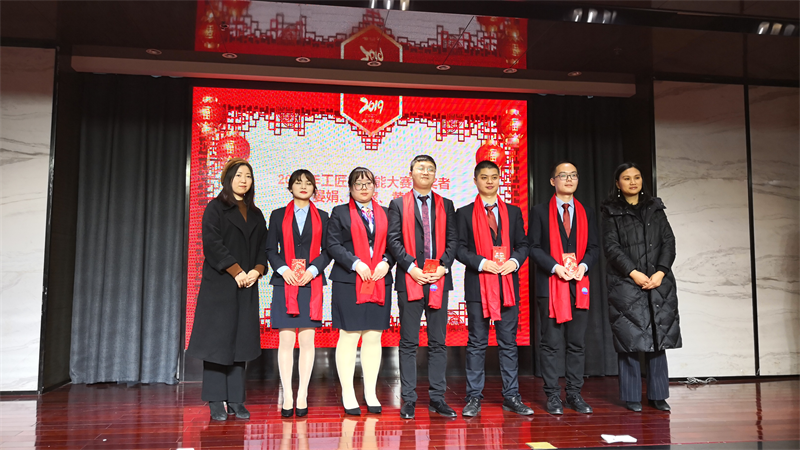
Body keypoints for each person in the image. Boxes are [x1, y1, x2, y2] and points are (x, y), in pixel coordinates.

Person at [187, 158, 267, 421]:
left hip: (247, 285)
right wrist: (236, 271)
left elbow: (263, 247)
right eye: (239, 175)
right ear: (228, 179)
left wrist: (257, 270)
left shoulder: (256, 214)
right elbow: (212, 244)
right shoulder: (215, 208)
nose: (244, 180)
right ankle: (215, 400)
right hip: (221, 285)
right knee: (217, 343)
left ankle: (235, 400)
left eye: (248, 176)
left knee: (241, 342)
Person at [600, 162, 681, 412]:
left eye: (636, 177)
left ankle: (658, 395)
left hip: (658, 281)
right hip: (626, 281)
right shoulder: (610, 211)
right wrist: (634, 273)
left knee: (658, 337)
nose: (633, 182)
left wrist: (661, 272)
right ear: (618, 183)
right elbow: (611, 247)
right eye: (626, 178)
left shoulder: (655, 207)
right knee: (630, 338)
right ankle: (632, 396)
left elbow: (668, 241)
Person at [455, 160, 533, 417]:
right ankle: (473, 397)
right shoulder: (464, 213)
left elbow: (524, 244)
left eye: (494, 177)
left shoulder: (513, 212)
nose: (489, 181)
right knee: (477, 343)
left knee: (508, 343)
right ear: (475, 181)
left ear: (500, 179)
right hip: (478, 286)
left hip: (507, 285)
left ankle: (511, 396)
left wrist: (514, 261)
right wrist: (481, 263)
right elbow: (459, 249)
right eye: (484, 177)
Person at [387, 154, 458, 419]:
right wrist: (411, 268)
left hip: (438, 278)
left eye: (430, 168)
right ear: (411, 173)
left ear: (435, 174)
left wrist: (443, 266)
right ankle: (408, 399)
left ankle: (437, 398)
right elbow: (393, 240)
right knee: (408, 342)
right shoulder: (397, 204)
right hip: (410, 279)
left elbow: (453, 240)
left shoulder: (446, 204)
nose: (425, 172)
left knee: (438, 342)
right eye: (420, 168)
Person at [528, 161, 599, 415]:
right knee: (550, 343)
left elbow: (594, 248)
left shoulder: (587, 212)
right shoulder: (539, 211)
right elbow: (533, 247)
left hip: (579, 284)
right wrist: (555, 267)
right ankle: (552, 395)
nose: (569, 179)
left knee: (577, 343)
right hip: (550, 285)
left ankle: (574, 394)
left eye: (573, 175)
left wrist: (584, 266)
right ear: (552, 181)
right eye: (563, 175)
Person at [327, 167, 395, 415]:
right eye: (359, 184)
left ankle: (370, 391)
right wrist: (356, 263)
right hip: (349, 280)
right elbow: (332, 244)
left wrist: (386, 261)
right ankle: (347, 391)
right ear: (350, 188)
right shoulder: (339, 212)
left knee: (373, 336)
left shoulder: (386, 213)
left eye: (368, 183)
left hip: (379, 279)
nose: (364, 188)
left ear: (375, 186)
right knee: (349, 335)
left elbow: (394, 244)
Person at [266, 169, 331, 418]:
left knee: (307, 341)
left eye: (308, 183)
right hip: (285, 282)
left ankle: (302, 394)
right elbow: (270, 250)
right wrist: (284, 270)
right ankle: (287, 395)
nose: (303, 186)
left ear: (314, 188)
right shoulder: (277, 215)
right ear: (290, 187)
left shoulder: (323, 216)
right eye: (298, 182)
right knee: (285, 341)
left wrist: (313, 270)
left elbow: (328, 250)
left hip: (310, 283)